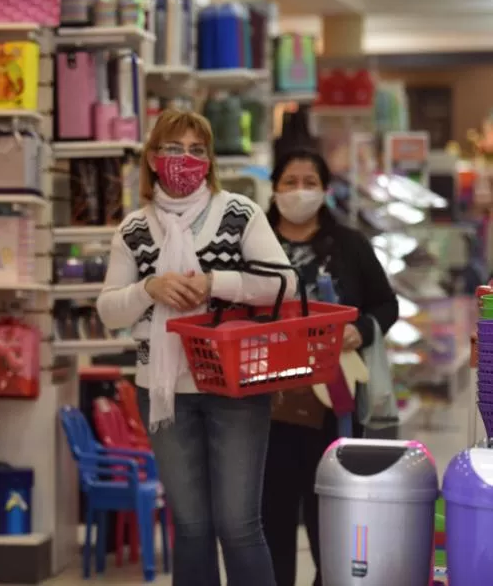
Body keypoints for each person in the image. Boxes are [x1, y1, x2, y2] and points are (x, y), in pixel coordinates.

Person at [96, 110, 296, 586]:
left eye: (197, 150)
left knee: (239, 525)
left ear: (209, 161)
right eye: (172, 150)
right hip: (163, 393)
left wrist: (215, 283)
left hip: (236, 385)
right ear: (151, 159)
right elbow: (108, 312)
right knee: (189, 527)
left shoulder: (239, 213)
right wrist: (149, 289)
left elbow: (284, 284)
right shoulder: (133, 230)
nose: (185, 160)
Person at [261, 148, 397, 586]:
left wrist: (363, 328)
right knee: (272, 512)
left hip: (334, 402)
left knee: (332, 509)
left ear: (324, 190)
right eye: (290, 182)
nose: (300, 191)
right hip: (266, 402)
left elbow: (386, 302)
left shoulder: (349, 245)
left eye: (310, 182)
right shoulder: (254, 240)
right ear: (274, 188)